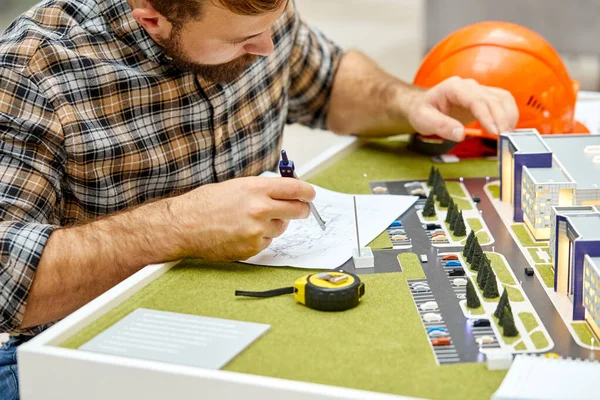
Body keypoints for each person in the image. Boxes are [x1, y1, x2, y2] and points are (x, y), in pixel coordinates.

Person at [0, 0, 518, 397]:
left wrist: (410, 102)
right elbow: (7, 282)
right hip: (71, 350)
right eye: (244, 40)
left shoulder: (255, 17)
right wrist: (176, 227)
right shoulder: (32, 69)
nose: (268, 48)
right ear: (154, 19)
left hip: (241, 309)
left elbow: (328, 79)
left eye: (278, 22)